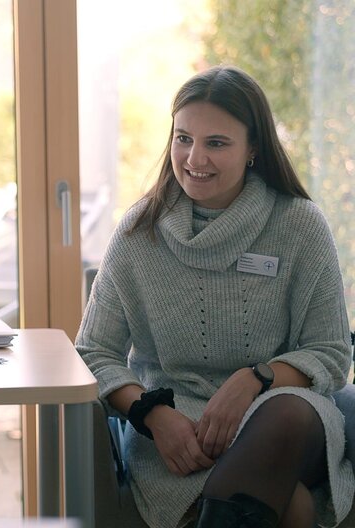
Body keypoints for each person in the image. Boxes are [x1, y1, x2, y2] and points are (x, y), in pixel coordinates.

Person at [76, 65, 354, 528]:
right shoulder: (138, 231)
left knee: (285, 415)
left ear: (253, 150)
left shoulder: (299, 225)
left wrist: (255, 379)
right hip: (178, 432)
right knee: (294, 507)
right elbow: (93, 352)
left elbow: (330, 352)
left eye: (216, 143)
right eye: (183, 138)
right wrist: (151, 414)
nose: (194, 158)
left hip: (282, 415)